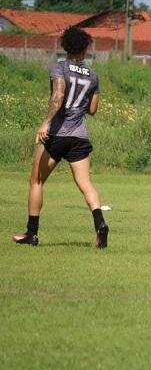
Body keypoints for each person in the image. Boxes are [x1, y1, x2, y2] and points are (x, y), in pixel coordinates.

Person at [12, 27, 109, 248]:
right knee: (85, 183)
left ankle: (31, 234)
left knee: (36, 180)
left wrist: (45, 122)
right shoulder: (93, 76)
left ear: (65, 46)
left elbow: (58, 95)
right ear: (85, 48)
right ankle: (100, 224)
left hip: (57, 134)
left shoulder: (59, 68)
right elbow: (93, 109)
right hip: (80, 136)